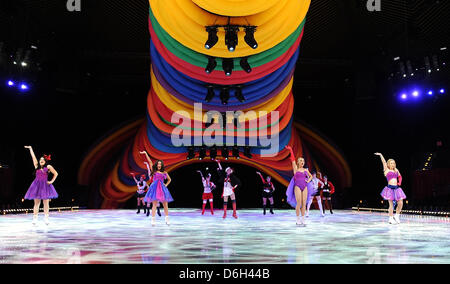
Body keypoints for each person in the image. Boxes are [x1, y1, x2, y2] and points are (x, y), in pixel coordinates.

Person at [24, 146, 59, 225]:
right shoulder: (37, 167)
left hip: (45, 186)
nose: (41, 160)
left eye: (42, 159)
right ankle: (35, 219)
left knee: (46, 203)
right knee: (36, 203)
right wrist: (30, 149)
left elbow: (56, 173)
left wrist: (51, 181)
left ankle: (46, 219)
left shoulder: (48, 167)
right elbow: (33, 157)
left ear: (45, 161)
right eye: (40, 160)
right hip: (36, 186)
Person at [375, 153, 406, 224]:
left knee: (400, 203)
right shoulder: (386, 170)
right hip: (389, 189)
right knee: (391, 205)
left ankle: (397, 216)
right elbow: (383, 162)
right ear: (388, 164)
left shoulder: (396, 170)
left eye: (394, 163)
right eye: (391, 163)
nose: (393, 164)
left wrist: (399, 183)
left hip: (397, 188)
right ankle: (391, 218)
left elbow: (400, 176)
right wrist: (381, 155)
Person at [285, 145, 313, 226]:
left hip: (305, 187)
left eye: (303, 161)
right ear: (298, 162)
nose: (302, 163)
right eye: (301, 161)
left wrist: (308, 180)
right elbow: (293, 160)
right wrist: (290, 150)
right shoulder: (296, 169)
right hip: (297, 186)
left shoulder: (305, 170)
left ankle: (303, 219)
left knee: (304, 203)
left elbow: (311, 176)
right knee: (299, 203)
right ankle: (298, 219)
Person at [143, 158, 173, 226]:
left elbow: (169, 179)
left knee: (165, 204)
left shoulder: (164, 172)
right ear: (156, 165)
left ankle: (167, 219)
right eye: (158, 164)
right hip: (155, 188)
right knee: (154, 205)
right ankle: (153, 220)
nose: (159, 165)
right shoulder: (154, 171)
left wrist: (166, 185)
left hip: (162, 189)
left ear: (162, 165)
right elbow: (150, 162)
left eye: (160, 164)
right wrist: (145, 154)